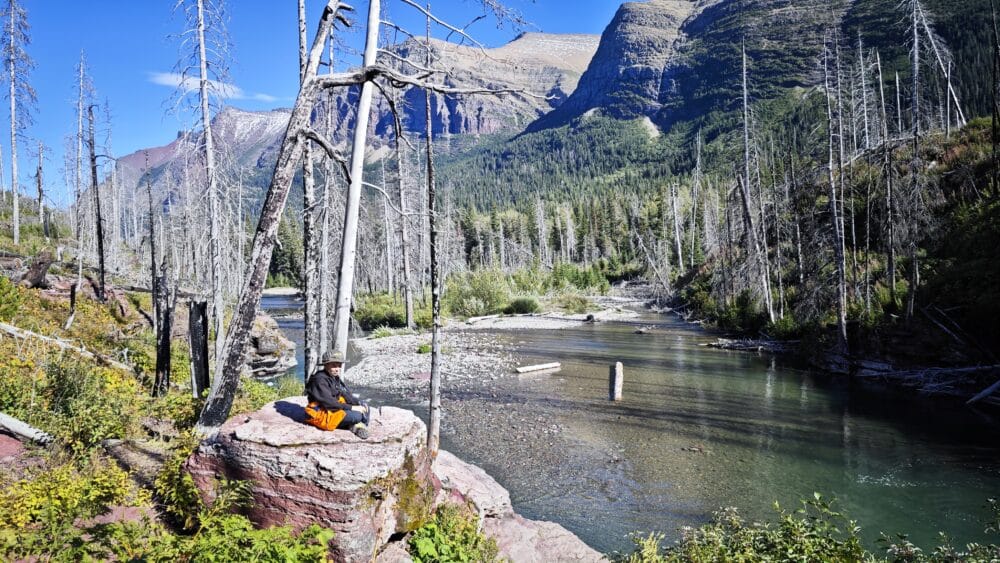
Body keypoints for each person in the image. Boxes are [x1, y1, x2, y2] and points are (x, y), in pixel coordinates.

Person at [304, 350, 372, 439]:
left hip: (333, 407)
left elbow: (344, 393)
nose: (337, 368)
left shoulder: (333, 377)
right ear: (326, 365)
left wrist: (358, 402)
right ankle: (354, 425)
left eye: (339, 365)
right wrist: (352, 407)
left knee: (364, 406)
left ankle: (356, 425)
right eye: (333, 365)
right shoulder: (319, 380)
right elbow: (329, 403)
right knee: (357, 415)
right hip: (322, 411)